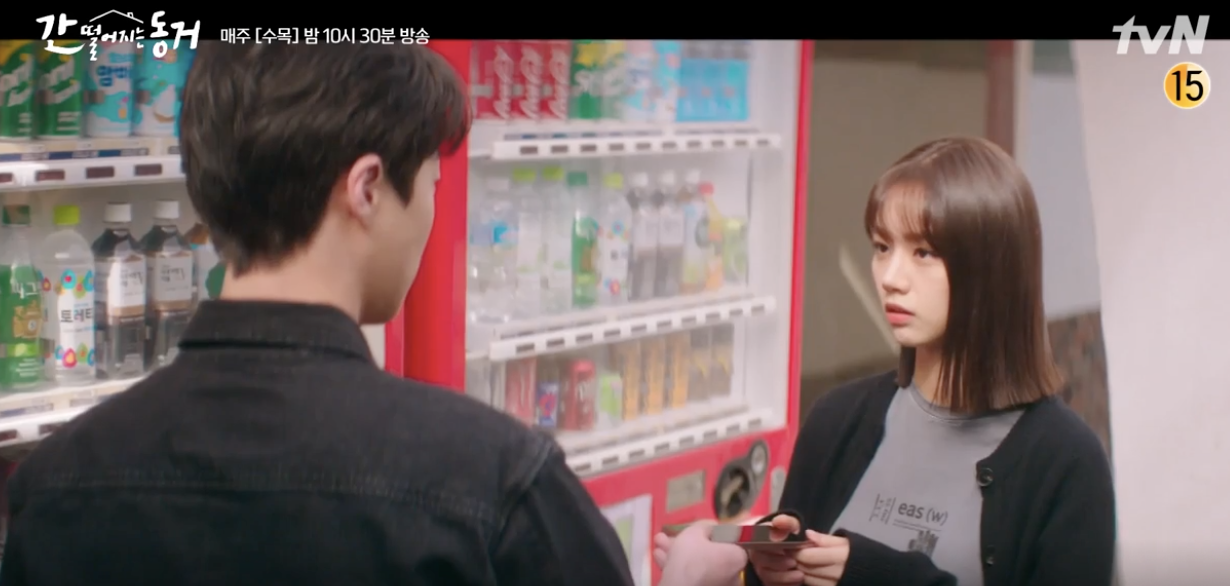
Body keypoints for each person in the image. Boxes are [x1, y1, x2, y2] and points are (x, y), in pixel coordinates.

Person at [0, 43, 633, 586]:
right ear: (368, 188)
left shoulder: (54, 482)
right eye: (432, 186)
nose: (430, 216)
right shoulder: (496, 481)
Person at [746, 137, 1116, 586]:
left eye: (924, 252)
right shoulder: (836, 420)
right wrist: (767, 570)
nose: (891, 278)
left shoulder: (1067, 463)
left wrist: (877, 575)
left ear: (992, 268)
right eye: (882, 247)